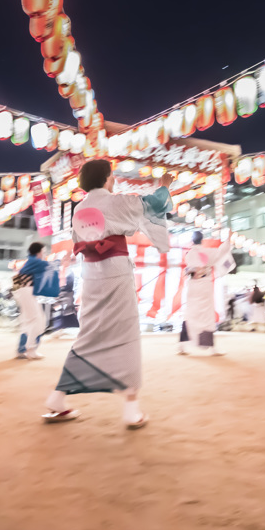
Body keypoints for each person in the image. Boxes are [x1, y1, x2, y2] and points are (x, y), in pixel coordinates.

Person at [43, 160, 173, 429]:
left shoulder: (80, 207)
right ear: (106, 178)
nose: (114, 179)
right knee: (126, 334)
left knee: (89, 333)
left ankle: (57, 398)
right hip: (114, 271)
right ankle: (131, 408)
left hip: (90, 274)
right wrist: (165, 186)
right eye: (112, 175)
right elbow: (152, 205)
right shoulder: (116, 202)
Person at [178, 231, 234, 356]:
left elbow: (190, 268)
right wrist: (228, 239)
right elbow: (222, 252)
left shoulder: (189, 254)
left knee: (190, 313)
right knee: (207, 315)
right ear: (202, 240)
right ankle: (211, 347)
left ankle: (181, 346)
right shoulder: (208, 252)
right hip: (204, 285)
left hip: (192, 285)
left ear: (192, 241)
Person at [13, 242, 61, 360]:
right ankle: (31, 350)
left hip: (21, 291)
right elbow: (51, 266)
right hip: (26, 291)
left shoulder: (30, 262)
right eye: (43, 252)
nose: (43, 254)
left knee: (27, 321)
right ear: (39, 252)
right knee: (38, 320)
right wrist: (61, 260)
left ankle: (22, 349)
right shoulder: (34, 261)